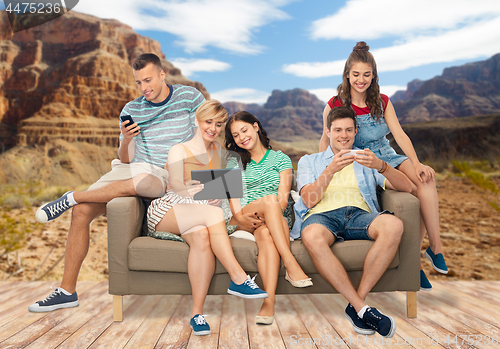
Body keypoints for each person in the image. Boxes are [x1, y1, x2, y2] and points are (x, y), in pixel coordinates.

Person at [29, 53, 205, 312]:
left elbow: (203, 139)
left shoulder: (190, 97)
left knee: (149, 183)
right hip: (133, 167)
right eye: (138, 83)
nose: (144, 88)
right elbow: (124, 158)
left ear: (162, 74)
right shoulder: (132, 109)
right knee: (81, 212)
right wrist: (126, 139)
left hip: (170, 170)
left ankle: (72, 196)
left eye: (148, 80)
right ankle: (67, 291)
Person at [319, 41, 448, 291]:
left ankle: (435, 248)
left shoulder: (383, 101)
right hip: (362, 161)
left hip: (388, 155)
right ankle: (416, 264)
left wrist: (417, 162)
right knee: (410, 191)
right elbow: (326, 137)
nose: (361, 79)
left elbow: (399, 135)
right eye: (356, 74)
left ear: (374, 76)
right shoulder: (335, 104)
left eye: (367, 75)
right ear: (347, 74)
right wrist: (323, 167)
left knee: (425, 180)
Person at [146, 100, 267, 336]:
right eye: (208, 122)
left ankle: (197, 314)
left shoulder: (217, 151)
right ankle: (238, 278)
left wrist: (213, 194)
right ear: (197, 120)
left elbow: (221, 184)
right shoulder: (178, 149)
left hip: (196, 214)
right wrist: (190, 189)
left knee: (202, 238)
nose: (213, 128)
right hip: (168, 210)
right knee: (211, 214)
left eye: (218, 124)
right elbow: (177, 185)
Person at [295, 106, 413, 338]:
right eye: (338, 130)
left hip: (359, 215)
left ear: (355, 131)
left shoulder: (366, 158)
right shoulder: (310, 161)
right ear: (328, 132)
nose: (344, 135)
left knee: (394, 225)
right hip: (323, 216)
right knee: (311, 236)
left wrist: (382, 166)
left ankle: (356, 305)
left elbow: (407, 187)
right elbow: (309, 201)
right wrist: (329, 171)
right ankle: (362, 309)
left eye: (349, 130)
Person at [225, 111, 312, 326]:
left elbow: (283, 202)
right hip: (243, 217)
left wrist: (267, 214)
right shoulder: (233, 162)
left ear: (255, 127)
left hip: (274, 216)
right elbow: (234, 204)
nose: (241, 137)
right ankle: (290, 262)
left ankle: (269, 302)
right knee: (269, 201)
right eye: (235, 135)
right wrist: (242, 218)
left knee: (266, 232)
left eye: (244, 130)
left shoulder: (280, 159)